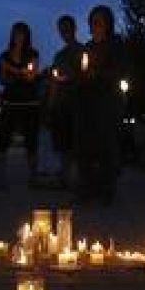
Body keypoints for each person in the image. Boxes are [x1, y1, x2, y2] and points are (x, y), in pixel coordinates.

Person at [74, 5, 125, 203]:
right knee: (85, 145)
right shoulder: (88, 47)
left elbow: (121, 71)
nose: (95, 25)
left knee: (106, 145)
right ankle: (87, 188)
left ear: (108, 24)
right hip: (87, 102)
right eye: (92, 21)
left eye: (99, 21)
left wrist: (100, 75)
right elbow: (81, 71)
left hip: (107, 102)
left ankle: (106, 189)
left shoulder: (116, 45)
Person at [0, 21, 41, 189]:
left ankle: (33, 177)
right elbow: (2, 80)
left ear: (27, 36)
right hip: (9, 101)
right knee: (3, 139)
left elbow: (32, 77)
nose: (19, 37)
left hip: (30, 102)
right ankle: (1, 177)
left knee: (31, 141)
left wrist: (12, 70)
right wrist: (19, 72)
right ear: (12, 35)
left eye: (22, 34)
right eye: (16, 33)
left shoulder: (33, 54)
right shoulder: (4, 56)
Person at [45, 14, 83, 188]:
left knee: (77, 140)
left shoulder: (83, 51)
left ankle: (77, 177)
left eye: (67, 28)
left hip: (77, 102)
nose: (64, 32)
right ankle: (65, 175)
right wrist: (51, 104)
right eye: (61, 29)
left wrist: (70, 78)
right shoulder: (59, 55)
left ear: (74, 28)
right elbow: (54, 80)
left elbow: (85, 76)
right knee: (62, 141)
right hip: (61, 103)